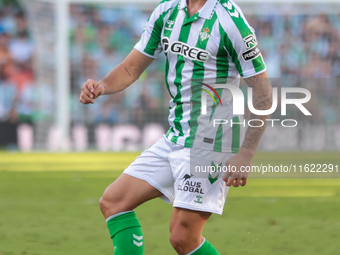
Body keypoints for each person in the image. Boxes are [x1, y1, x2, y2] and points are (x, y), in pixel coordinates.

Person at [80, 0, 272, 254]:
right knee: (114, 202)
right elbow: (131, 67)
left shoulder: (231, 23)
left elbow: (263, 93)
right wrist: (102, 85)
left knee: (183, 238)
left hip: (211, 143)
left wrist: (246, 153)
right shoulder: (166, 11)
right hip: (176, 136)